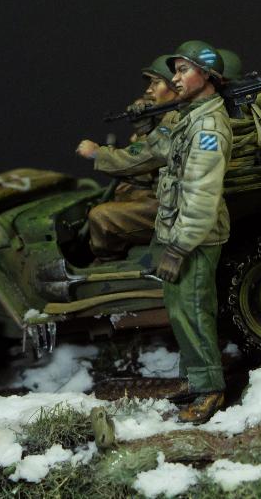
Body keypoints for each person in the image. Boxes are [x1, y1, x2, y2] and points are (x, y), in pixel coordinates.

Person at [78, 40, 232, 423]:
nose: (175, 78)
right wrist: (102, 156)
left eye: (183, 70)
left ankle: (209, 391)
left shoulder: (208, 128)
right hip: (177, 232)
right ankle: (193, 380)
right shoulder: (186, 118)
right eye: (175, 71)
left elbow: (201, 197)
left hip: (194, 239)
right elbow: (149, 152)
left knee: (194, 311)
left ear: (206, 75)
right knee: (180, 311)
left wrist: (178, 248)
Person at [77, 56, 180, 260]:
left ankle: (109, 264)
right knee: (125, 190)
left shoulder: (176, 121)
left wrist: (97, 153)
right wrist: (148, 122)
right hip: (168, 193)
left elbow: (138, 158)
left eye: (156, 83)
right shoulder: (169, 116)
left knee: (100, 217)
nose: (149, 90)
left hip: (175, 206)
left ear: (175, 86)